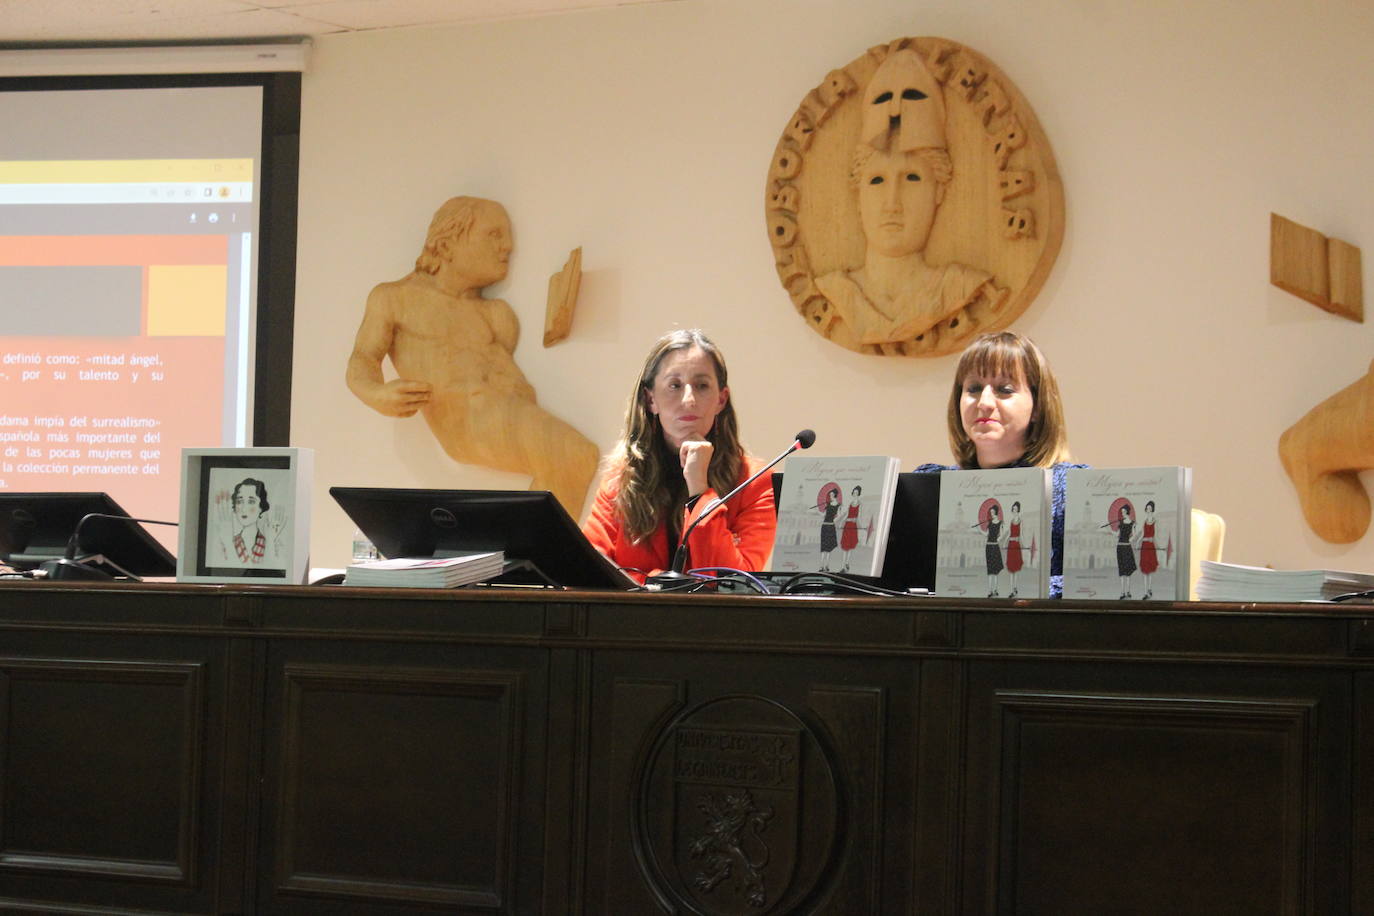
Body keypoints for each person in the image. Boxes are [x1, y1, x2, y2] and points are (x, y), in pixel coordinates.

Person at [346, 196, 599, 516]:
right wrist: (376, 393)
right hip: (468, 426)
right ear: (449, 240)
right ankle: (540, 556)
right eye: (494, 234)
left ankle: (529, 550)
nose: (507, 246)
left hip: (509, 417)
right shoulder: (395, 298)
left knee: (574, 457)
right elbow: (363, 358)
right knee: (575, 453)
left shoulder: (497, 314)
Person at [581, 329, 776, 580]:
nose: (689, 399)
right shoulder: (621, 479)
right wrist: (660, 584)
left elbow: (732, 583)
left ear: (721, 399)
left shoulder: (755, 483)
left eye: (702, 386)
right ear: (650, 399)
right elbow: (589, 570)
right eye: (674, 385)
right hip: (633, 618)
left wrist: (700, 491)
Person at [917, 330, 1082, 596]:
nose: (984, 403)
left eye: (1004, 390)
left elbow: (1093, 581)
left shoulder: (1070, 486)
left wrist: (1008, 590)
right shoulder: (932, 485)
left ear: (1038, 406)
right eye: (973, 389)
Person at [216, 477, 283, 568]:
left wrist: (271, 541)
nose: (244, 508)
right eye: (239, 501)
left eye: (251, 502)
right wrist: (228, 541)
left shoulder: (271, 542)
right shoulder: (227, 540)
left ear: (261, 507)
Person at [1115, 504, 1139, 599]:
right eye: (1122, 512)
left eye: (1124, 512)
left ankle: (1128, 591)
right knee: (1121, 571)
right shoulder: (1120, 522)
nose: (1123, 513)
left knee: (1128, 570)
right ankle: (1122, 592)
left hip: (1127, 547)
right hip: (1120, 547)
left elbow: (1134, 534)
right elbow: (1117, 534)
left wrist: (1131, 539)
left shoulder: (1133, 523)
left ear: (1128, 512)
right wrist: (1109, 530)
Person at [838, 484, 863, 572]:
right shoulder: (850, 503)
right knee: (845, 546)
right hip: (847, 526)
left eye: (856, 492)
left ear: (858, 494)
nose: (855, 494)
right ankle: (843, 566)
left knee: (850, 546)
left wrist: (861, 526)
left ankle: (847, 563)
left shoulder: (860, 504)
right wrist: (841, 522)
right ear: (852, 493)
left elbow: (859, 517)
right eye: (854, 492)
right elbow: (847, 515)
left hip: (853, 526)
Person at [1138, 500, 1159, 599]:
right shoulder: (1144, 521)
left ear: (1152, 510)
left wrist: (1157, 544)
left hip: (1151, 547)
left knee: (1149, 570)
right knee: (1145, 570)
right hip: (1144, 546)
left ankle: (1149, 590)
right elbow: (1142, 534)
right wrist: (1138, 541)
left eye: (1150, 509)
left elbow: (1156, 535)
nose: (1148, 510)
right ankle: (1146, 592)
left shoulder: (1155, 521)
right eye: (1147, 509)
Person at [984, 502, 1005, 597]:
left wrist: (998, 539)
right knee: (990, 570)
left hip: (995, 546)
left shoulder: (1000, 523)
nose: (991, 513)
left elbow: (1002, 534)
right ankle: (989, 590)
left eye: (992, 512)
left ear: (996, 512)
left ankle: (995, 590)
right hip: (988, 546)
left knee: (995, 570)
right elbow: (986, 534)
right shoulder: (989, 523)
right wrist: (978, 531)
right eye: (990, 512)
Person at [818, 486, 841, 572]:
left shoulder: (838, 505)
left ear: (834, 495)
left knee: (829, 547)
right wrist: (817, 512)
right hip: (824, 526)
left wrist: (834, 520)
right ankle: (821, 566)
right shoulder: (827, 504)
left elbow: (839, 515)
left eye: (831, 494)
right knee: (823, 547)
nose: (830, 496)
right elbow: (823, 515)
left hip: (831, 526)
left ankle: (826, 565)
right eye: (830, 495)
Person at [1005, 500, 1024, 598]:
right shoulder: (1011, 521)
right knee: (1011, 569)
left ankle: (1014, 588)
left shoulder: (1020, 521)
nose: (1014, 511)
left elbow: (1021, 535)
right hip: (1010, 545)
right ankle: (1012, 589)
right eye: (1013, 509)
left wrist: (1024, 544)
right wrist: (1005, 542)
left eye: (1016, 509)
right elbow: (1009, 533)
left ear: (1018, 510)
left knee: (1015, 569)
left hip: (1016, 545)